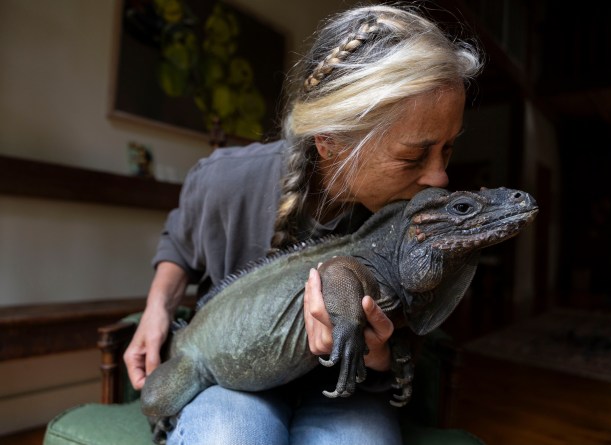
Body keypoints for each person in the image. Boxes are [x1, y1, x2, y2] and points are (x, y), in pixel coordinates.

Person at [124, 3, 483, 444]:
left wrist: (377, 353)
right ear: (331, 141)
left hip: (347, 389)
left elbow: (408, 332)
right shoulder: (226, 178)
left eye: (447, 149)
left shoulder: (421, 220)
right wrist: (157, 308)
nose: (440, 177)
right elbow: (179, 244)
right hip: (236, 380)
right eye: (414, 155)